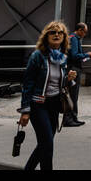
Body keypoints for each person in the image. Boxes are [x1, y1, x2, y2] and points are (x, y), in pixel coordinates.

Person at [18, 21, 77, 170]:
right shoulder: (37, 56)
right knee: (47, 144)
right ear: (46, 36)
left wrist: (68, 79)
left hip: (54, 105)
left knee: (45, 143)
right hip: (38, 104)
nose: (57, 35)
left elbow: (59, 83)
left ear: (64, 37)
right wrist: (25, 110)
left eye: (60, 33)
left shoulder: (63, 57)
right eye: (53, 32)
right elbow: (28, 84)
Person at [63, 21, 91, 127]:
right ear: (80, 30)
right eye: (85, 32)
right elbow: (74, 55)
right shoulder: (74, 39)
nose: (85, 34)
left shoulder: (75, 38)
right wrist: (87, 54)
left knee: (73, 95)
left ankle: (73, 117)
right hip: (74, 69)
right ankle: (69, 119)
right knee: (72, 95)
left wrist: (86, 55)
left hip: (73, 68)